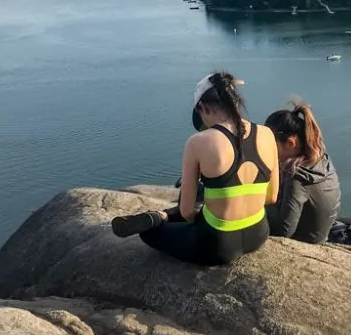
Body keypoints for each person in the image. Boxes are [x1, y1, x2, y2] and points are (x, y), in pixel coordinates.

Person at [111, 72, 279, 265]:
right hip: (258, 233)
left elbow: (187, 212)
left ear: (202, 107)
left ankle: (160, 217)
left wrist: (195, 220)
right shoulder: (267, 134)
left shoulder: (198, 142)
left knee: (150, 234)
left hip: (217, 245)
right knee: (205, 203)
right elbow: (271, 197)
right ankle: (165, 215)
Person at [264, 103, 341, 244]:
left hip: (307, 241)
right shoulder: (319, 156)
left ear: (291, 143)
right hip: (321, 234)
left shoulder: (297, 175)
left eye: (271, 146)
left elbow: (284, 231)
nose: (268, 151)